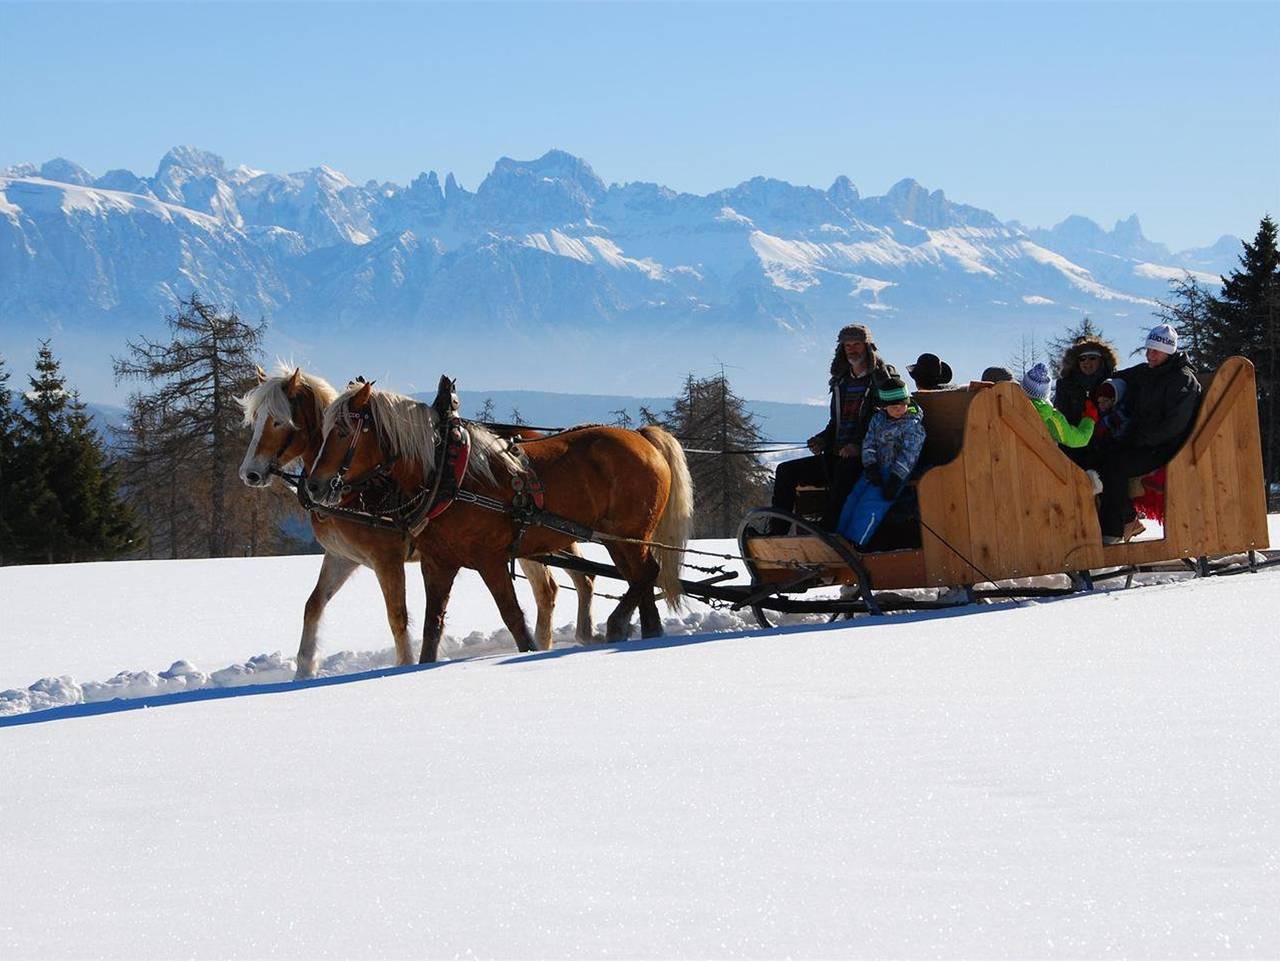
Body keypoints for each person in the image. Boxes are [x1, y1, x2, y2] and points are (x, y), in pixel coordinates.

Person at [768, 323, 888, 532]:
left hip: (869, 458)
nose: (852, 349)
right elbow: (836, 423)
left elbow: (887, 420)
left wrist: (858, 446)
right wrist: (822, 439)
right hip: (836, 454)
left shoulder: (882, 379)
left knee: (844, 470)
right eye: (847, 345)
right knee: (785, 471)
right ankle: (775, 532)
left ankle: (829, 530)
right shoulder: (841, 381)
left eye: (857, 344)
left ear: (868, 346)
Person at [1096, 323, 1202, 544]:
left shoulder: (1183, 380)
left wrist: (1138, 440)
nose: (1149, 354)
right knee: (1099, 455)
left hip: (1166, 448)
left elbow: (1174, 426)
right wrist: (1103, 385)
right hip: (1143, 441)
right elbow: (1122, 376)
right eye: (1148, 349)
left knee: (1115, 466)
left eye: (1155, 350)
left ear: (1169, 350)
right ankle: (1123, 520)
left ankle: (1115, 531)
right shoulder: (1148, 371)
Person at [836, 372, 926, 547]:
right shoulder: (878, 420)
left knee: (871, 505)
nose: (898, 409)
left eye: (901, 405)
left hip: (895, 473)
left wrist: (895, 479)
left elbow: (909, 455)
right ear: (884, 406)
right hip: (875, 470)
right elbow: (869, 443)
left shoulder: (913, 426)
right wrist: (870, 466)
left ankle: (856, 542)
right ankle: (839, 538)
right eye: (893, 406)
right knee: (853, 499)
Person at [1020, 362, 1096, 448]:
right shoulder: (1052, 418)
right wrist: (1089, 418)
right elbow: (1079, 439)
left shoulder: (1012, 403)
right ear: (1046, 391)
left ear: (1023, 385)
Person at [1054, 336, 1118, 424]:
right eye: (1082, 359)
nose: (1087, 362)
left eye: (1092, 358)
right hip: (1073, 434)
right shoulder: (1065, 385)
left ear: (1101, 361)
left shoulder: (1113, 383)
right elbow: (1060, 415)